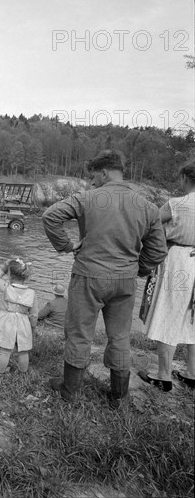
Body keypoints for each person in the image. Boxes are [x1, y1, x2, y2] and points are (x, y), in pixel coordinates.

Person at [42, 150, 167, 408]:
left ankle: (69, 391)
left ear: (104, 172)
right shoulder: (147, 206)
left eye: (94, 177)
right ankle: (119, 398)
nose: (93, 182)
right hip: (125, 280)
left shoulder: (87, 198)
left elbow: (50, 216)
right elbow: (158, 250)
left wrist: (67, 246)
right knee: (120, 337)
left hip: (89, 276)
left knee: (79, 334)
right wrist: (136, 269)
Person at [138, 163, 195, 391]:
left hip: (178, 259)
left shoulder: (177, 204)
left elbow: (149, 222)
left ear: (184, 178)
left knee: (169, 312)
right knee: (193, 317)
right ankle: (192, 373)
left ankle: (163, 375)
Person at [0, 257, 38, 380]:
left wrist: (5, 267)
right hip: (23, 323)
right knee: (23, 350)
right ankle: (23, 373)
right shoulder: (32, 293)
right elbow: (34, 314)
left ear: (10, 274)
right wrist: (32, 326)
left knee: (5, 351)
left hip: (7, 322)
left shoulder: (6, 287)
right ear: (26, 276)